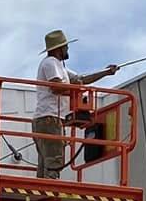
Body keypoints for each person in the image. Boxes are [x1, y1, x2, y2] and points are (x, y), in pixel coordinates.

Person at [34, 30, 117, 179]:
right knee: (54, 161)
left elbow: (81, 79)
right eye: (66, 46)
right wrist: (75, 87)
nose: (67, 49)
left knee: (46, 162)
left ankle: (42, 187)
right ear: (59, 48)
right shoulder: (51, 63)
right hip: (50, 119)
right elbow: (56, 87)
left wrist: (105, 72)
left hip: (46, 119)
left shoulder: (57, 66)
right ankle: (50, 188)